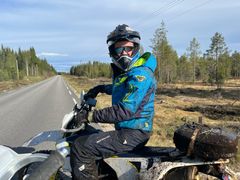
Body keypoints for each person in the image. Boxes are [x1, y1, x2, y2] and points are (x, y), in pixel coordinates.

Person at [70, 24, 157, 180]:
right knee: (90, 134)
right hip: (128, 130)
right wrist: (101, 88)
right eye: (119, 49)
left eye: (128, 48)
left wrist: (89, 116)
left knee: (81, 147)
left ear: (136, 48)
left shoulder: (140, 74)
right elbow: (122, 88)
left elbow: (125, 110)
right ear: (112, 51)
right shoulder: (130, 71)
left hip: (134, 133)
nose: (124, 53)